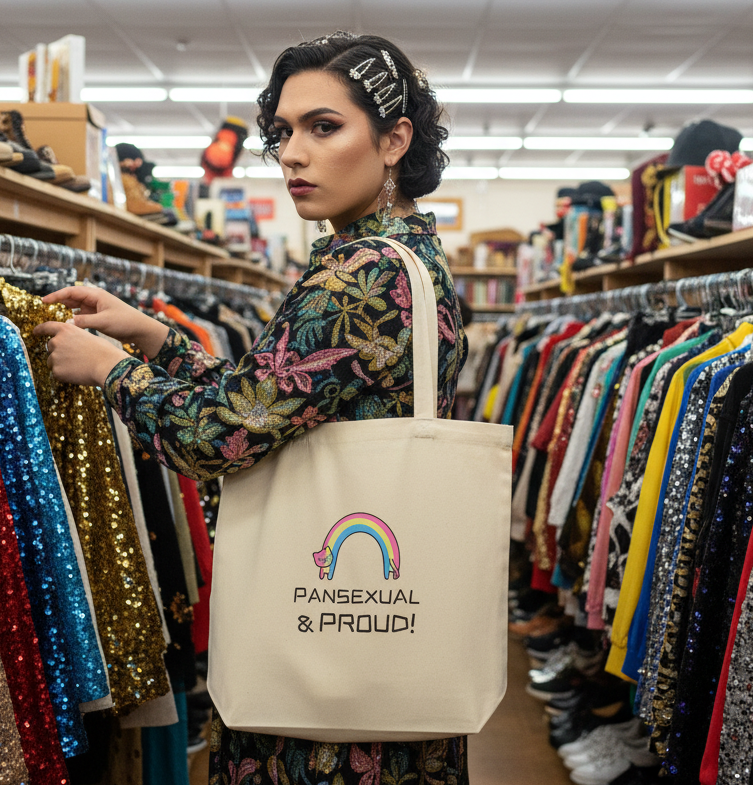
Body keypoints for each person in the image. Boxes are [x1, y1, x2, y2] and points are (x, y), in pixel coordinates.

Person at [34, 30, 469, 785]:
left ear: (394, 138)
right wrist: (157, 338)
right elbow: (272, 399)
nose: (292, 153)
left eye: (322, 127)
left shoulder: (359, 277)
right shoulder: (405, 259)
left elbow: (220, 436)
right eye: (282, 132)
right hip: (369, 645)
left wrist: (112, 372)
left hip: (326, 691)